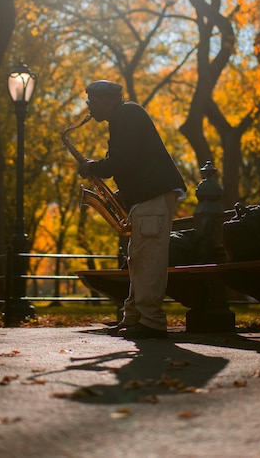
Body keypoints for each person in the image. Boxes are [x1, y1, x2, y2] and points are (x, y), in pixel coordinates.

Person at [78, 80, 187, 339]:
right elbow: (134, 161)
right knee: (138, 260)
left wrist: (92, 167)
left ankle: (151, 321)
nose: (89, 108)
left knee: (148, 261)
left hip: (152, 197)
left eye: (91, 102)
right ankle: (134, 318)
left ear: (107, 99)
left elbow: (121, 161)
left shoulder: (126, 114)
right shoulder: (124, 116)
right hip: (146, 196)